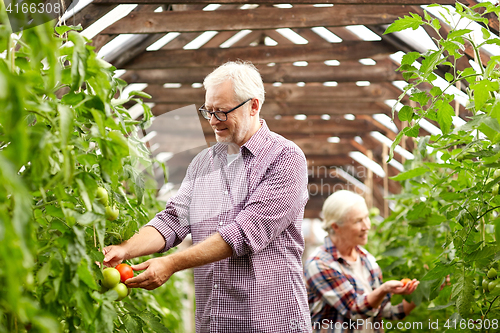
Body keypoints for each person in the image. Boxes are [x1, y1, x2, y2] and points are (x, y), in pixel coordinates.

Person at [103, 61, 312, 332]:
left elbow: (244, 233)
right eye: (208, 111)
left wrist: (171, 263)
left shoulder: (285, 158)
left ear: (254, 106)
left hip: (268, 322)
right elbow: (173, 220)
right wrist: (124, 249)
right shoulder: (204, 163)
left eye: (222, 112)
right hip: (214, 322)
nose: (213, 121)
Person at [304, 190, 418, 333]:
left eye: (366, 218)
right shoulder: (319, 264)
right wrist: (383, 289)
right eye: (358, 221)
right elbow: (354, 310)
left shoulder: (367, 259)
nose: (367, 226)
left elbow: (388, 312)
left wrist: (423, 291)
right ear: (335, 227)